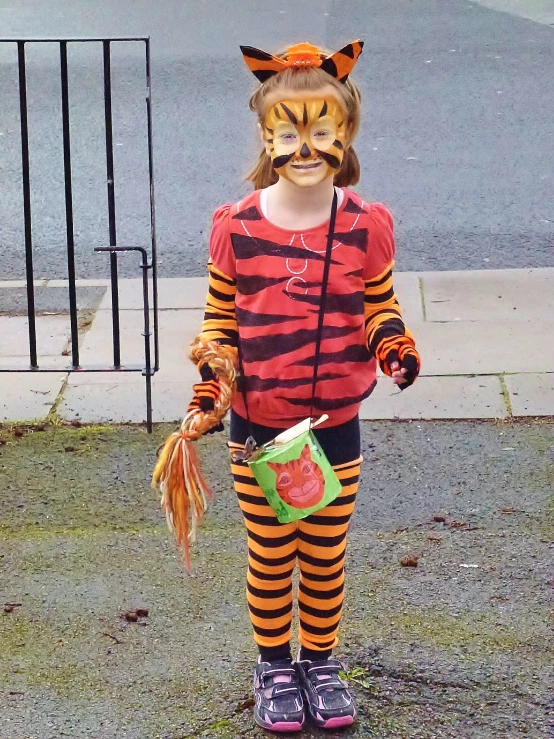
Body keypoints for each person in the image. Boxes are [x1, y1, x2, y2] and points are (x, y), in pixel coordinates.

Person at [189, 40, 421, 733]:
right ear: (266, 134)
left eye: (321, 131)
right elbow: (219, 322)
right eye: (289, 132)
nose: (305, 147)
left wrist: (394, 347)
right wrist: (212, 384)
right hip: (260, 428)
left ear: (345, 132)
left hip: (335, 426)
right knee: (270, 551)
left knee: (324, 552)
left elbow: (379, 305)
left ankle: (320, 661)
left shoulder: (362, 226)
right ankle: (274, 664)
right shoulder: (236, 227)